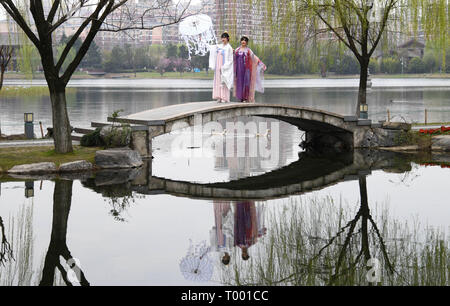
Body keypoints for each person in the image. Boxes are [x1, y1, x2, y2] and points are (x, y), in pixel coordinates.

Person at [234, 36, 266, 103]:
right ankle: (241, 98)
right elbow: (233, 58)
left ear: (247, 42)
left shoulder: (248, 50)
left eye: (245, 40)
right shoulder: (237, 50)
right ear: (240, 41)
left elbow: (254, 58)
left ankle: (246, 98)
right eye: (242, 40)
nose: (243, 41)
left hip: (246, 70)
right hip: (239, 70)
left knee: (246, 83)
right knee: (239, 83)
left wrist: (261, 64)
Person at [209, 32, 234, 103]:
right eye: (222, 38)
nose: (223, 39)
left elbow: (230, 59)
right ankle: (219, 96)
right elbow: (211, 47)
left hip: (224, 67)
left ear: (227, 38)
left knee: (224, 81)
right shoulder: (219, 46)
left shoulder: (229, 47)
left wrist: (224, 67)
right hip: (218, 66)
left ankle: (224, 97)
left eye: (224, 38)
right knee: (218, 81)